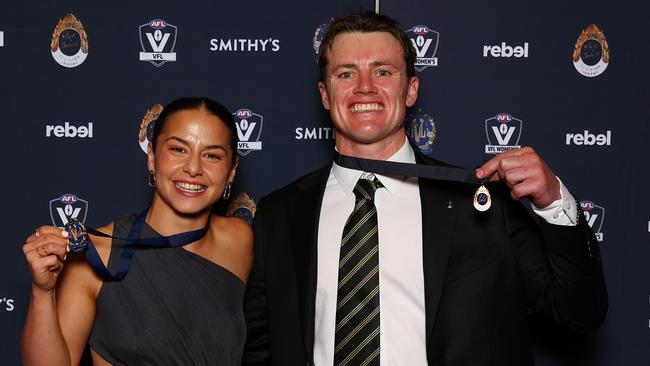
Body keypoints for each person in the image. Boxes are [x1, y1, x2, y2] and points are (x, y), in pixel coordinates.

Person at [243, 12, 607, 366]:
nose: (364, 87)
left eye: (383, 71)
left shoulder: (480, 201)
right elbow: (260, 349)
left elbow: (579, 313)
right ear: (325, 94)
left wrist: (553, 202)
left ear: (411, 89)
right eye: (346, 73)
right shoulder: (281, 213)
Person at [21, 97, 253, 365]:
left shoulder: (240, 239)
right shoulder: (96, 256)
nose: (193, 168)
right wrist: (42, 293)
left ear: (232, 171)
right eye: (178, 149)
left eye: (211, 155)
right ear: (152, 158)